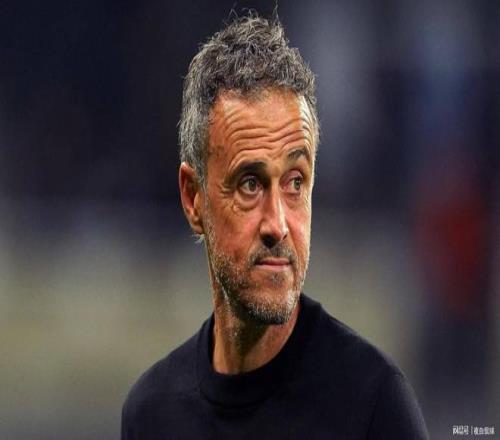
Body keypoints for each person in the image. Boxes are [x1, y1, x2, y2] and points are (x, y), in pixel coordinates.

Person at [121, 12, 429, 440]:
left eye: (295, 182)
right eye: (250, 183)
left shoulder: (373, 406)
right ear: (193, 198)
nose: (278, 225)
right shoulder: (151, 414)